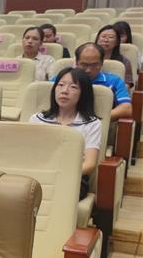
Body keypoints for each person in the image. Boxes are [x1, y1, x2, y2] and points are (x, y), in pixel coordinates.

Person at [30, 67, 100, 199]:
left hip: (73, 178)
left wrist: (61, 174)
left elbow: (90, 164)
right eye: (61, 85)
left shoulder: (91, 123)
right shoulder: (37, 119)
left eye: (73, 87)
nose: (64, 91)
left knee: (55, 195)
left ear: (83, 93)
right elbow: (30, 154)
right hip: (40, 174)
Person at [74, 42, 131, 121]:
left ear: (102, 63)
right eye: (84, 65)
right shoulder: (64, 80)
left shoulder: (114, 81)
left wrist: (95, 120)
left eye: (94, 65)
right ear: (76, 63)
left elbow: (126, 108)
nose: (88, 70)